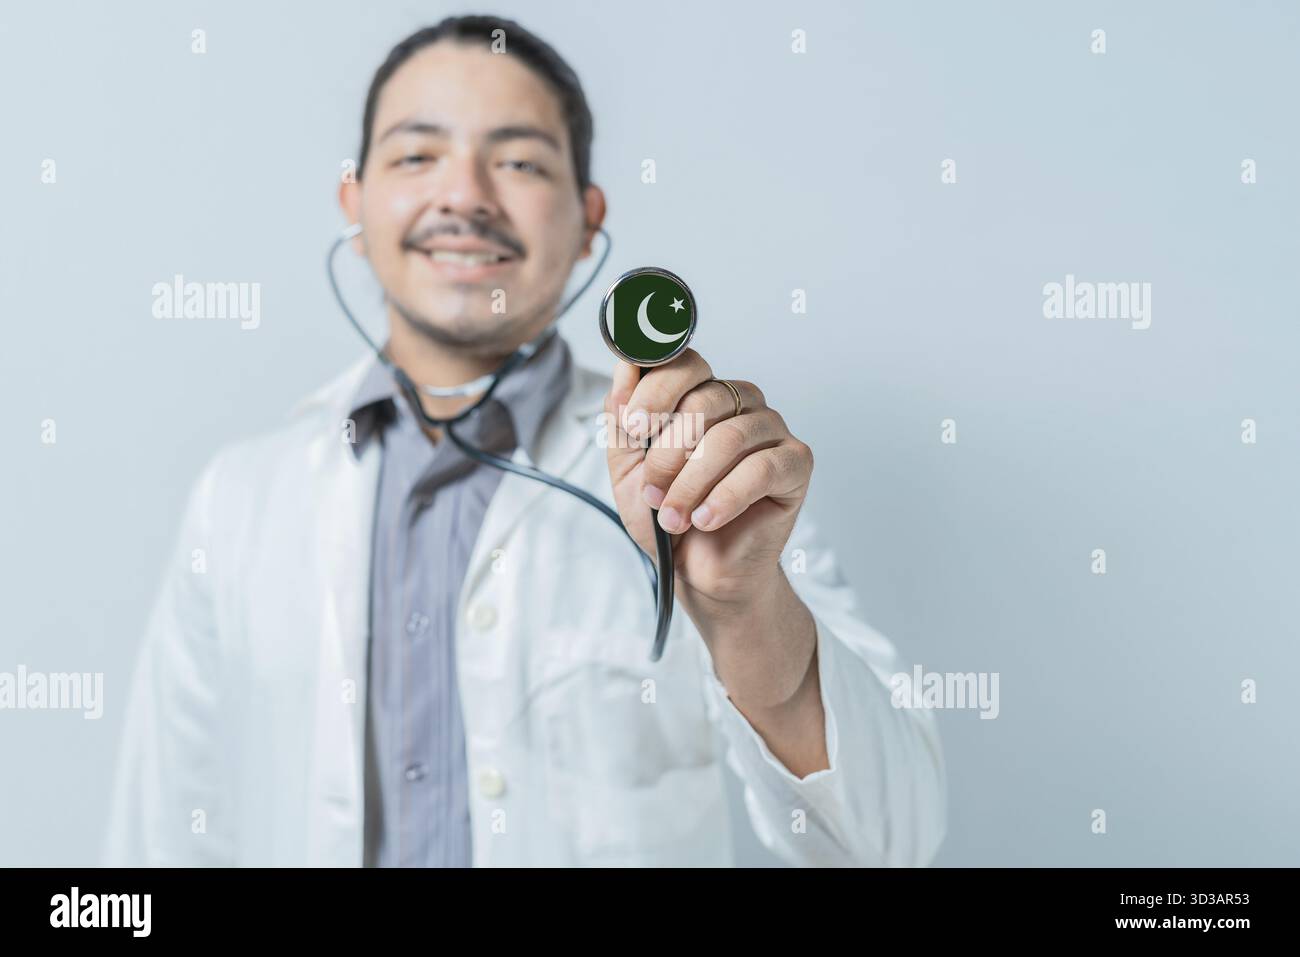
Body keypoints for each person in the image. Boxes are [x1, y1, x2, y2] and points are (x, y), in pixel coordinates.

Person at [103, 15, 946, 867]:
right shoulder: (240, 497)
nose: (464, 194)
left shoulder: (700, 470)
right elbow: (158, 837)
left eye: (517, 160)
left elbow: (892, 840)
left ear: (587, 222)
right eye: (415, 155)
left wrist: (742, 612)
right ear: (354, 206)